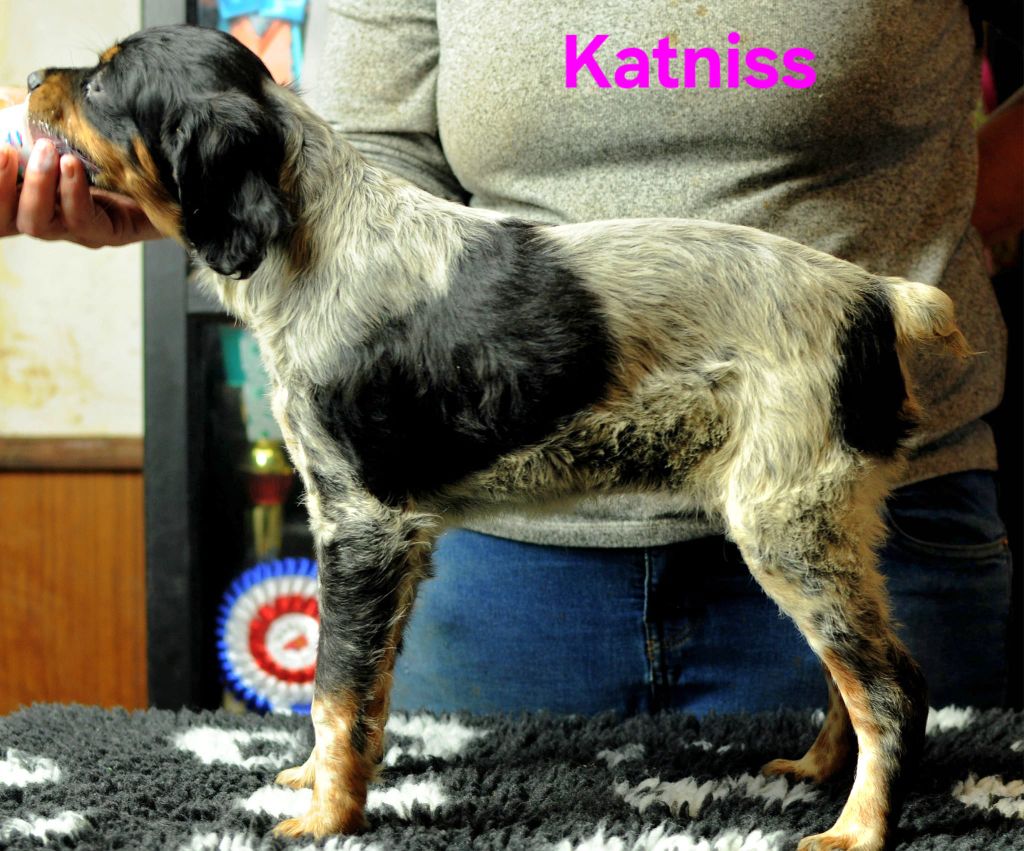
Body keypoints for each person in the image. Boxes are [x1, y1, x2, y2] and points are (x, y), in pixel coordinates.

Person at [3, 1, 1020, 715]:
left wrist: (927, 236)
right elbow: (361, 167)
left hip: (881, 509)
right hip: (504, 568)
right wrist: (187, 201)